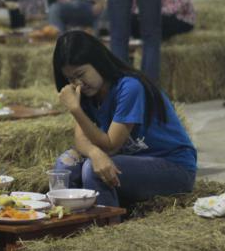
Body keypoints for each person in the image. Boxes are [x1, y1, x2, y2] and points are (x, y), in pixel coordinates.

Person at [51, 31, 197, 208]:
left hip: (173, 166)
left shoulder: (130, 87)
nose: (77, 83)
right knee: (64, 165)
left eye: (80, 74)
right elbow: (80, 140)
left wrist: (76, 110)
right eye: (70, 78)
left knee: (94, 170)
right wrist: (95, 153)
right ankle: (70, 220)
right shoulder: (88, 93)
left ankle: (106, 224)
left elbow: (111, 145)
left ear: (98, 62)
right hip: (131, 162)